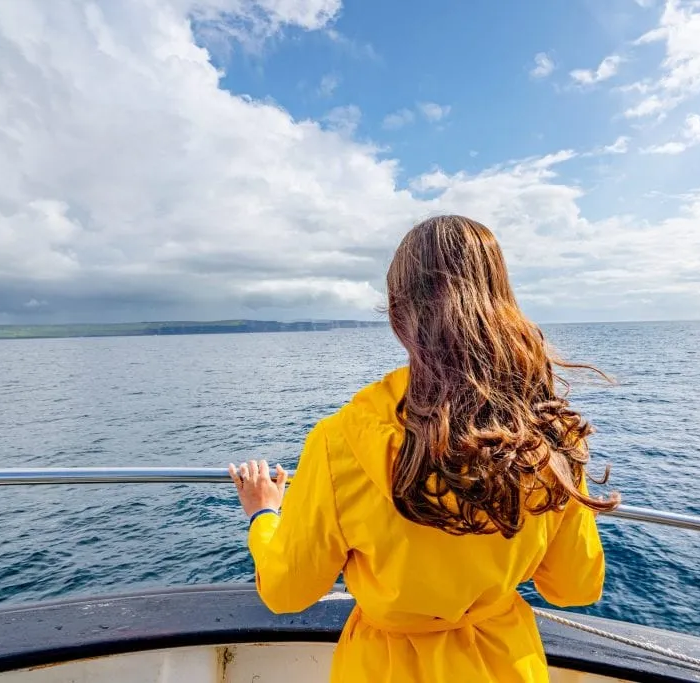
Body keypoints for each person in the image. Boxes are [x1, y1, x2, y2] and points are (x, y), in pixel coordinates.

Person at [229, 215, 618, 683]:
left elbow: (286, 592)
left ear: (399, 314)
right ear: (502, 299)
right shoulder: (548, 434)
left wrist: (264, 516)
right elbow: (574, 587)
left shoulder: (342, 442)